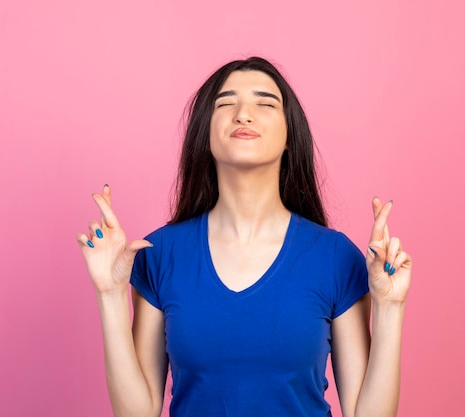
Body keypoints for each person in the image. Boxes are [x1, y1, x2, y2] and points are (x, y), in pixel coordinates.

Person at [77, 57, 412, 417]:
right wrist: (110, 295)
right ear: (204, 135)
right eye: (226, 103)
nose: (243, 114)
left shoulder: (335, 257)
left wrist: (390, 308)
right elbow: (137, 414)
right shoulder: (159, 254)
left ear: (289, 137)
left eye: (265, 103)